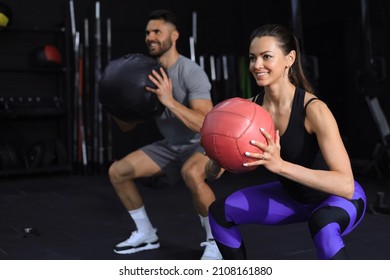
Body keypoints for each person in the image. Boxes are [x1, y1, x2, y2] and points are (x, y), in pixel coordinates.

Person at [205, 24, 367, 260]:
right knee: (219, 213)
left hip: (337, 199)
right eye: (253, 58)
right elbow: (212, 175)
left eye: (266, 57)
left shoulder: (314, 110)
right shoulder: (246, 112)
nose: (257, 65)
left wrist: (279, 165)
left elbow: (345, 185)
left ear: (289, 59)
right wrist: (215, 150)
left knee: (322, 224)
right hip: (291, 198)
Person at [108, 9, 222, 260]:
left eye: (157, 31)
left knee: (192, 173)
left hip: (201, 145)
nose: (150, 37)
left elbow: (206, 124)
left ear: (174, 35)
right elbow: (128, 127)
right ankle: (146, 233)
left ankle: (218, 241)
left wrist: (168, 100)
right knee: (118, 171)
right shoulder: (146, 72)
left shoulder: (190, 72)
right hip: (171, 146)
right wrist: (113, 101)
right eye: (148, 32)